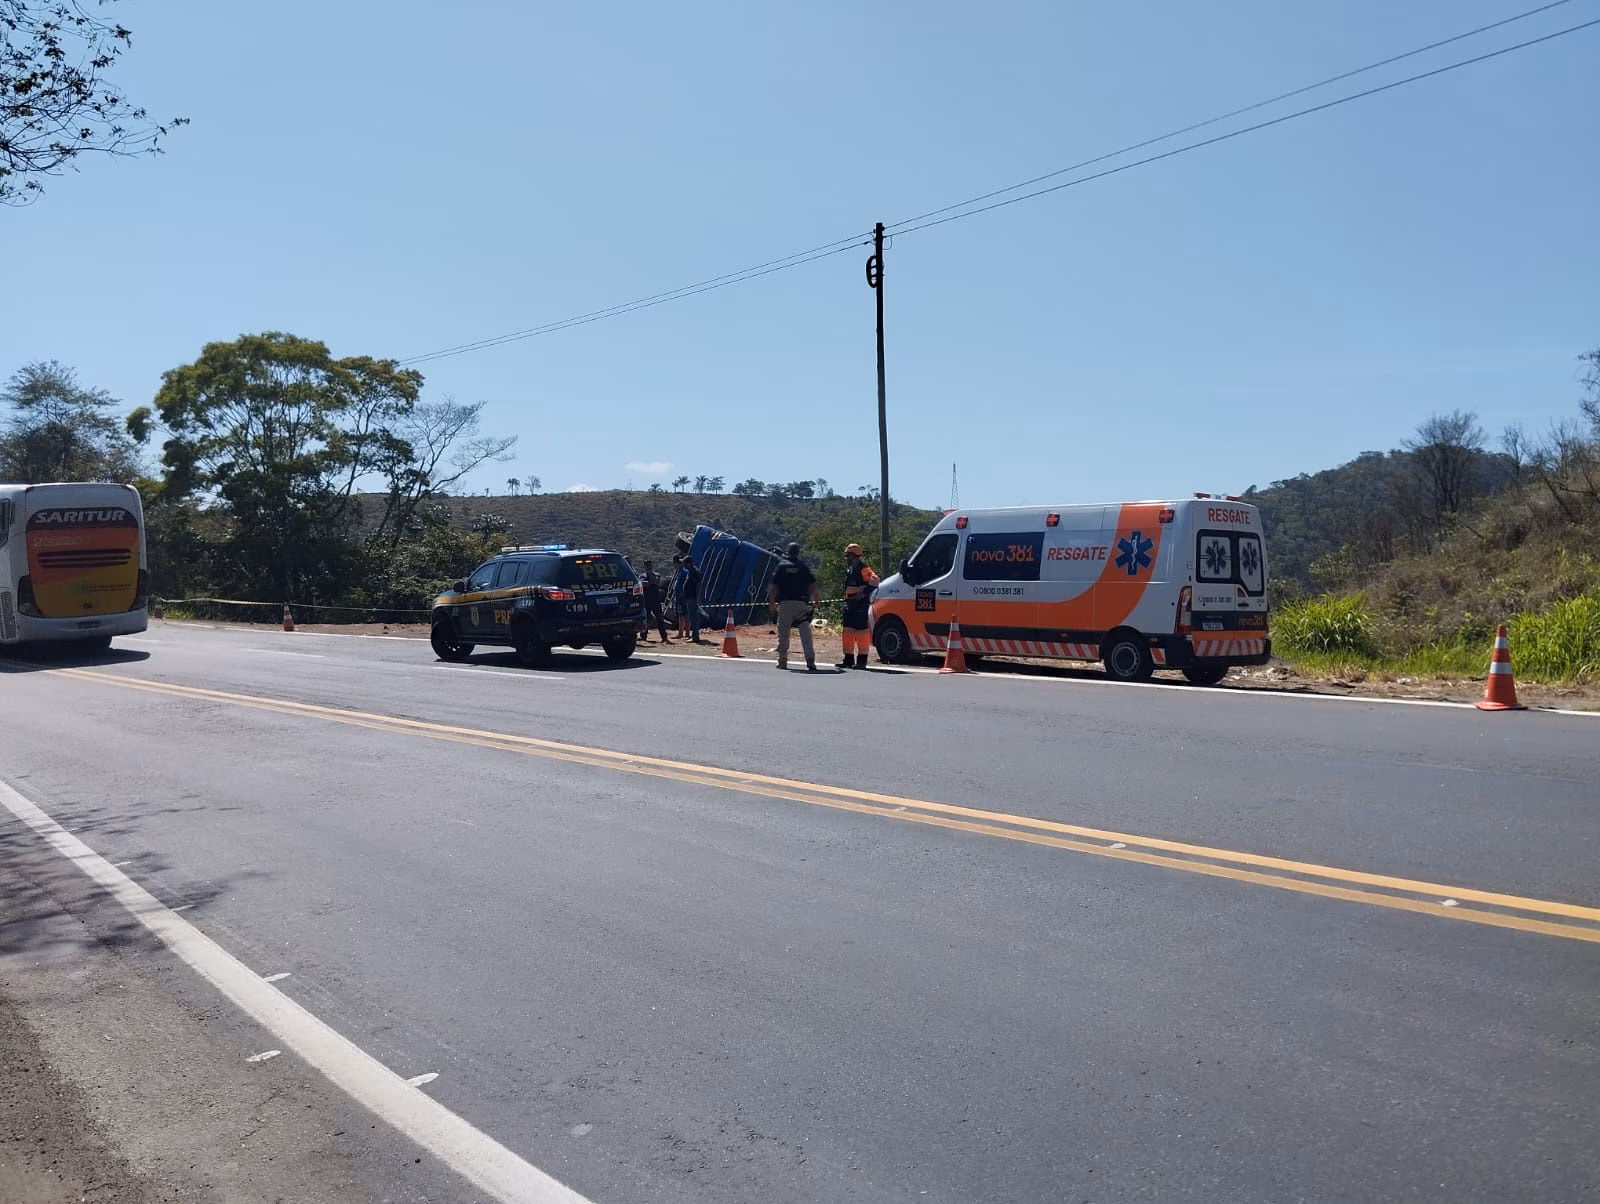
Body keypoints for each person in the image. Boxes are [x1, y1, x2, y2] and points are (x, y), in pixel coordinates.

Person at [768, 542, 822, 671]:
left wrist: (771, 603)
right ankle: (810, 659)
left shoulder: (781, 567)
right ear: (798, 552)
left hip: (785, 604)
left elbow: (773, 587)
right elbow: (813, 586)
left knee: (784, 633)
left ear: (788, 552)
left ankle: (782, 661)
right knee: (805, 633)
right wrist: (817, 601)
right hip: (801, 605)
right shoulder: (803, 567)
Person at [837, 542, 880, 669]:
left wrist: (863, 593)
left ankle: (861, 661)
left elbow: (876, 580)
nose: (846, 558)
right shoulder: (850, 570)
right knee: (848, 632)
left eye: (848, 556)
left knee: (862, 633)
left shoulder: (863, 569)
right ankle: (848, 659)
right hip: (850, 605)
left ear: (854, 556)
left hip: (860, 605)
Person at [639, 560, 671, 643]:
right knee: (645, 618)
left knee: (660, 619)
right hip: (646, 600)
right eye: (647, 566)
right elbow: (643, 584)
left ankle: (664, 637)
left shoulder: (656, 574)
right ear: (645, 567)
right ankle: (643, 636)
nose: (649, 567)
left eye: (650, 565)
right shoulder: (642, 576)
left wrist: (650, 577)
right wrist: (649, 582)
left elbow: (656, 582)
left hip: (655, 600)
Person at [681, 555, 704, 642]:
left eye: (684, 563)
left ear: (688, 564)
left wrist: (697, 597)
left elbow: (698, 584)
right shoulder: (690, 571)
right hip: (689, 597)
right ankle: (693, 635)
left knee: (694, 616)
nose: (683, 564)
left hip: (692, 598)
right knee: (691, 616)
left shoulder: (694, 572)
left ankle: (695, 636)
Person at [671, 556, 690, 639]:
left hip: (682, 596)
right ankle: (682, 633)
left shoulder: (684, 572)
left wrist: (682, 593)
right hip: (678, 595)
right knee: (681, 614)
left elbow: (685, 584)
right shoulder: (679, 572)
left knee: (685, 614)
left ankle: (685, 633)